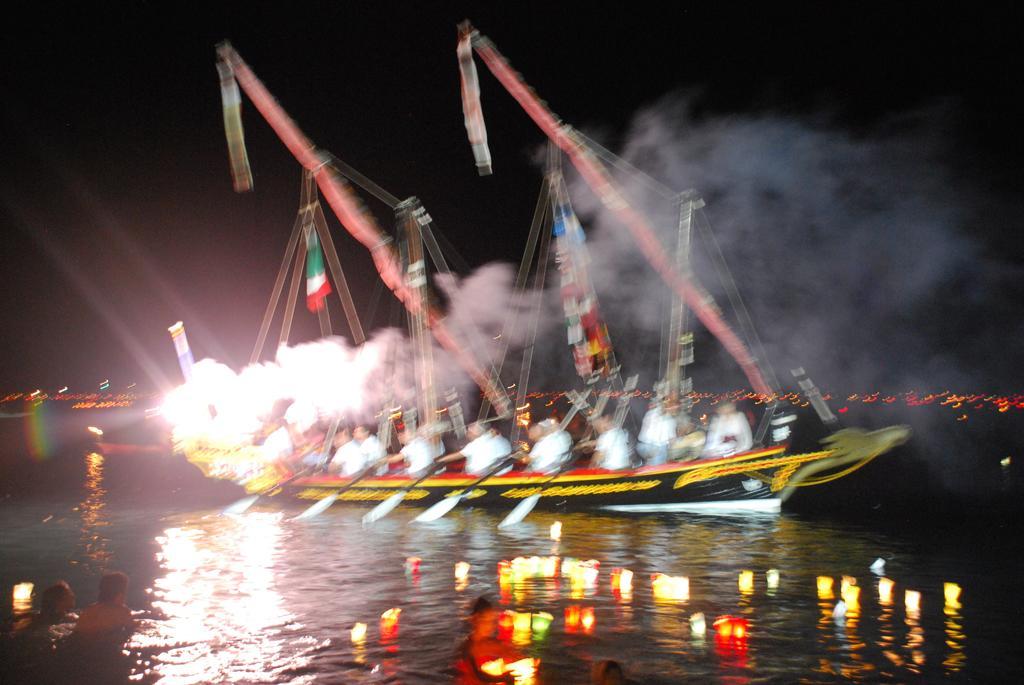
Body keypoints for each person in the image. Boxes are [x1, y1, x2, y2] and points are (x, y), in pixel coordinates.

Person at [457, 596, 526, 684]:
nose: (490, 626)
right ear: (475, 619)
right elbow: (478, 675)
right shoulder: (467, 648)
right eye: (486, 621)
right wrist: (503, 678)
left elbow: (510, 653)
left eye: (492, 621)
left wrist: (521, 661)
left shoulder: (493, 643)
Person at [73, 572, 134, 638]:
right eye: (125, 591)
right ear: (120, 594)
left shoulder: (89, 610)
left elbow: (77, 631)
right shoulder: (123, 612)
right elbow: (130, 631)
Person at [439, 422, 513, 475]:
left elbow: (457, 456)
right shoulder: (495, 438)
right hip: (501, 473)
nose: (467, 434)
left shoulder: (478, 442)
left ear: (475, 433)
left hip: (486, 478)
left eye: (469, 432)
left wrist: (438, 461)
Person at [637, 401, 676, 466]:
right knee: (661, 450)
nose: (671, 408)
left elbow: (672, 440)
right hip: (649, 447)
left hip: (642, 446)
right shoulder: (653, 415)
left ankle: (649, 465)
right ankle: (655, 467)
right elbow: (671, 441)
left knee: (662, 450)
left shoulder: (651, 413)